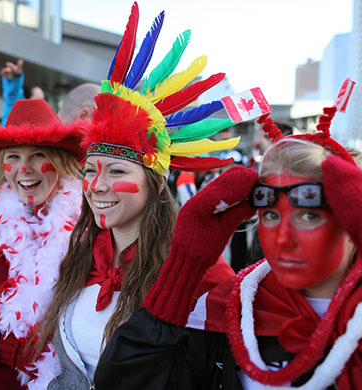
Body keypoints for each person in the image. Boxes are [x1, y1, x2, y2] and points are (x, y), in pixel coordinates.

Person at [94, 80, 362, 389]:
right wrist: (185, 262)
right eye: (269, 214)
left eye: (309, 214)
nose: (282, 238)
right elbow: (122, 380)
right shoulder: (228, 309)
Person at [34, 3, 249, 389]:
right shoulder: (79, 254)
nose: (97, 186)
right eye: (90, 171)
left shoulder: (196, 275)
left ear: (156, 181)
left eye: (117, 171)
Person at [0, 99, 86, 390]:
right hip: (1, 381)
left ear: (61, 161)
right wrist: (0, 346)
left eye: (37, 154)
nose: (24, 169)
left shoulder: (90, 223)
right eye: (14, 157)